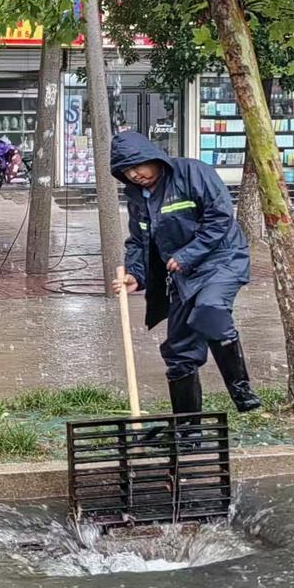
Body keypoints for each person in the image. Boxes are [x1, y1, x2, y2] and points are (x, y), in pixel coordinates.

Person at [109, 131, 261, 425]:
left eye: (137, 166)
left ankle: (241, 390)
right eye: (126, 171)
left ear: (153, 157)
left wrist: (189, 254)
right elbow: (140, 240)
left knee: (210, 310)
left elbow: (220, 217)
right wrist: (135, 275)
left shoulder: (192, 173)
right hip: (181, 275)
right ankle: (188, 430)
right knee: (179, 350)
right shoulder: (137, 197)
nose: (134, 174)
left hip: (221, 259)